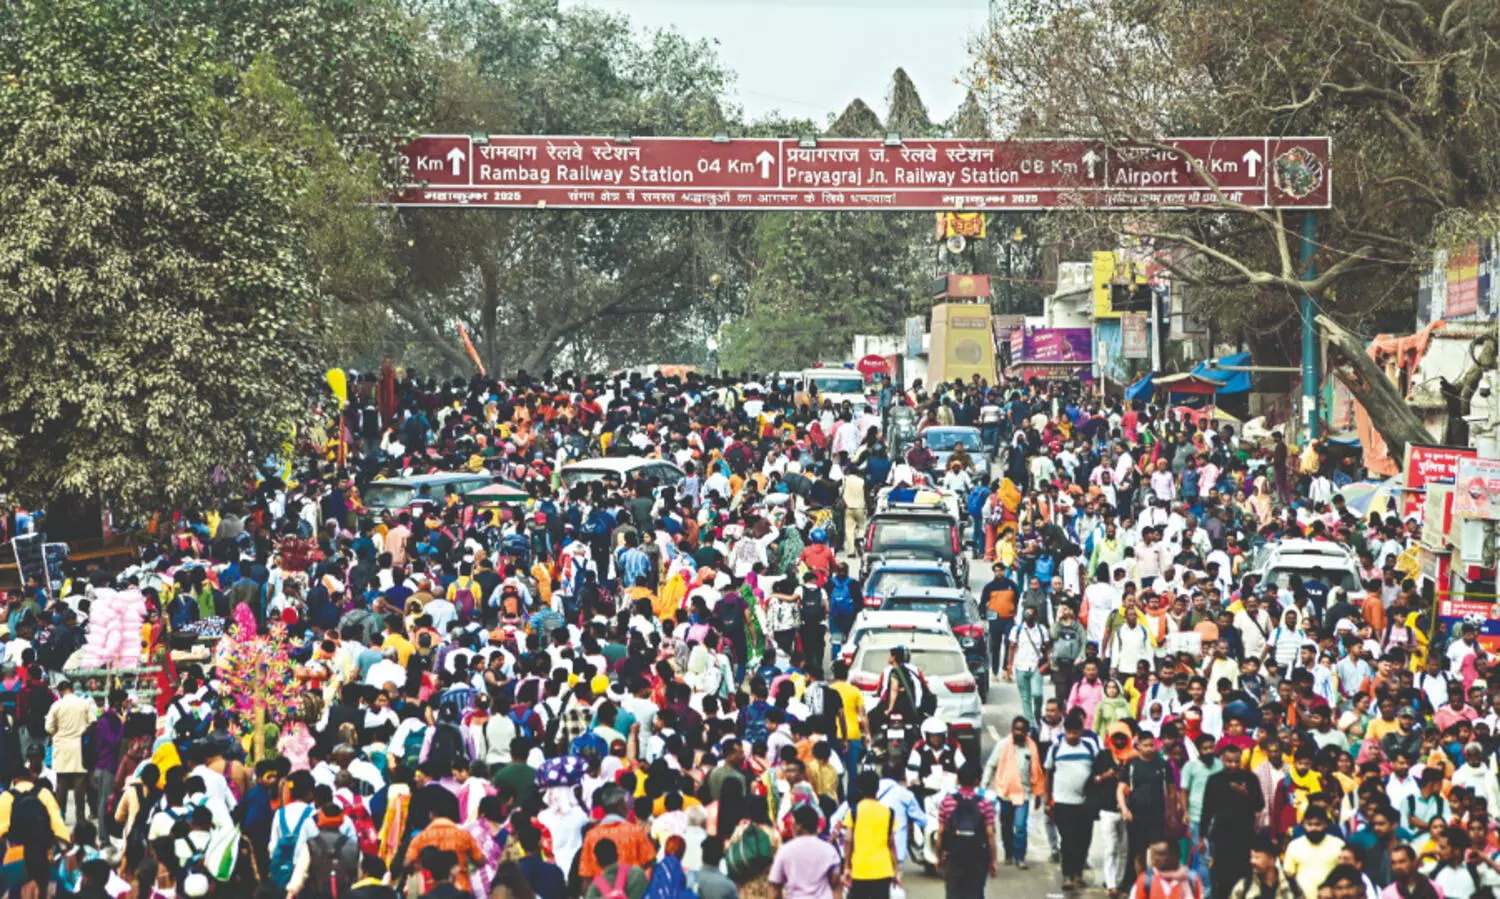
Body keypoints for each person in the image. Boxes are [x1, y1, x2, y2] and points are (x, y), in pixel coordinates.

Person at [1045, 708, 1098, 891]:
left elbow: (1096, 772)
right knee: (1067, 839)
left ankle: (1078, 874)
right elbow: (1048, 774)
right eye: (1069, 732)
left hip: (1085, 803)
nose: (1072, 736)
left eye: (1076, 732)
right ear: (1064, 731)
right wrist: (1046, 800)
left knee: (1084, 840)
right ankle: (1067, 875)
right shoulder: (1056, 748)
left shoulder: (1090, 747)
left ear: (1081, 731)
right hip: (1062, 802)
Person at [935, 764, 998, 899]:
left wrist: (939, 857)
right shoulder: (985, 804)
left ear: (957, 779)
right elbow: (990, 834)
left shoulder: (947, 802)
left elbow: (940, 832)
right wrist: (993, 860)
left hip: (953, 857)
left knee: (953, 893)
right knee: (975, 893)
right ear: (978, 780)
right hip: (978, 857)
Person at [991, 715, 1044, 870]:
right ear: (1012, 730)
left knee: (1020, 827)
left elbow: (1037, 772)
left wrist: (1038, 794)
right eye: (1016, 729)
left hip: (1023, 793)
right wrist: (983, 788)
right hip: (1005, 793)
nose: (1019, 732)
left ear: (1027, 731)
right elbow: (991, 765)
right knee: (1006, 825)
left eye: (1022, 730)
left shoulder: (1031, 748)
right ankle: (1008, 853)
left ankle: (1020, 857)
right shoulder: (1003, 745)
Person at [841, 771, 899, 899]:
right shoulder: (888, 812)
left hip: (860, 869)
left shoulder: (854, 812)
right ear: (877, 788)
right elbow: (891, 844)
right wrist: (896, 870)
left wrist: (846, 867)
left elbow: (849, 840)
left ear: (860, 789)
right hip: (883, 869)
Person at [768, 805, 841, 899]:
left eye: (793, 823)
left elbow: (775, 887)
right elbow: (835, 882)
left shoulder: (786, 850)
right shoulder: (829, 850)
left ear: (799, 827)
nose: (791, 826)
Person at [1284, 807, 1346, 898]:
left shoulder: (1339, 845)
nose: (1313, 828)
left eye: (1317, 824)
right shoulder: (1294, 846)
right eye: (1309, 824)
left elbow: (1345, 875)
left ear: (1325, 824)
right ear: (1303, 825)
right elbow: (1289, 875)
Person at [1226, 837, 1302, 899]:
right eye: (1251, 857)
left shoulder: (1291, 885)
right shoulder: (1244, 886)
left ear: (1272, 860)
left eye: (1257, 858)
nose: (1252, 861)